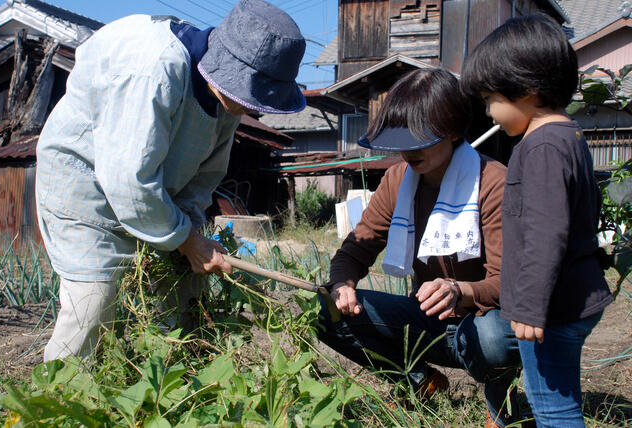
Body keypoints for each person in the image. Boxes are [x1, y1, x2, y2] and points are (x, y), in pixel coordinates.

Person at [36, 0, 306, 362]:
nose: (253, 108)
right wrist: (185, 239)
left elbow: (205, 176)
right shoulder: (154, 70)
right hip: (87, 185)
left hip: (151, 195)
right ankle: (56, 401)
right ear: (226, 68)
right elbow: (128, 180)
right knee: (93, 304)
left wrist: (192, 231)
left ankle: (167, 386)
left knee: (185, 288)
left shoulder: (226, 98)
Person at [317, 68, 524, 428]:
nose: (409, 151)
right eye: (402, 140)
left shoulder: (493, 184)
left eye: (421, 140)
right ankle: (418, 380)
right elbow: (356, 249)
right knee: (330, 317)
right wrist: (342, 285)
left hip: (480, 322)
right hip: (428, 322)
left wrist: (459, 291)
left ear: (454, 131)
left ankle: (502, 402)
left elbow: (508, 284)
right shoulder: (400, 180)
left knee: (496, 337)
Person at [460, 14, 614, 427]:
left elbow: (546, 233)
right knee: (559, 398)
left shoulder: (542, 145)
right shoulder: (569, 137)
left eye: (492, 99)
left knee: (553, 409)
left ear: (527, 89)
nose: (489, 113)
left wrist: (528, 308)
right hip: (570, 298)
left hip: (553, 308)